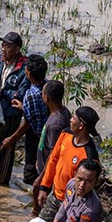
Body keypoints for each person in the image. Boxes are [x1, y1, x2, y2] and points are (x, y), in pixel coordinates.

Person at [36, 106, 99, 222]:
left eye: (73, 118)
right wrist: (44, 187)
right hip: (54, 195)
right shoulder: (65, 134)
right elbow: (53, 160)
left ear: (81, 126)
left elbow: (87, 186)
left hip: (71, 204)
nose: (70, 120)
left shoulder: (89, 155)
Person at [0, 33, 28, 185]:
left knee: (5, 146)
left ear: (16, 49)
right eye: (3, 45)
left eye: (7, 47)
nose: (3, 49)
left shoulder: (23, 68)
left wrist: (3, 93)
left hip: (10, 113)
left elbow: (22, 93)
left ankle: (1, 181)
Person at [1, 52, 46, 187]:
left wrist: (12, 139)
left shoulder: (31, 95)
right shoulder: (46, 86)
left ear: (28, 74)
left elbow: (27, 123)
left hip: (36, 136)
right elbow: (36, 112)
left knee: (31, 173)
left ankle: (37, 199)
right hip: (44, 133)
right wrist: (23, 107)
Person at [32, 80, 70, 214]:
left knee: (44, 205)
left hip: (50, 174)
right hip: (45, 167)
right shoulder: (62, 112)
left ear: (46, 97)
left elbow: (54, 154)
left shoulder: (55, 124)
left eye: (42, 93)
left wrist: (41, 178)